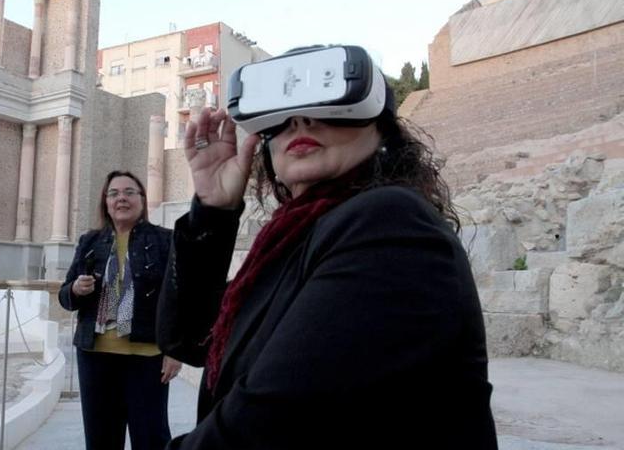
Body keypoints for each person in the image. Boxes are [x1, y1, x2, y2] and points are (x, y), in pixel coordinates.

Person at [157, 46, 498, 449]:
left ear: (379, 126)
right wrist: (213, 211)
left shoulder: (391, 224)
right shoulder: (294, 237)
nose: (300, 121)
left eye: (325, 100)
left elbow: (271, 422)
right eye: (282, 114)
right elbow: (189, 341)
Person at [59, 170, 183, 450]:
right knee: (101, 440)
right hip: (95, 356)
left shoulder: (166, 240)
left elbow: (178, 297)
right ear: (105, 202)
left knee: (151, 439)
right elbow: (65, 297)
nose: (121, 199)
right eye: (114, 193)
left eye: (129, 192)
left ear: (142, 200)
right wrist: (76, 290)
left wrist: (175, 350)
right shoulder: (89, 241)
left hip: (147, 357)